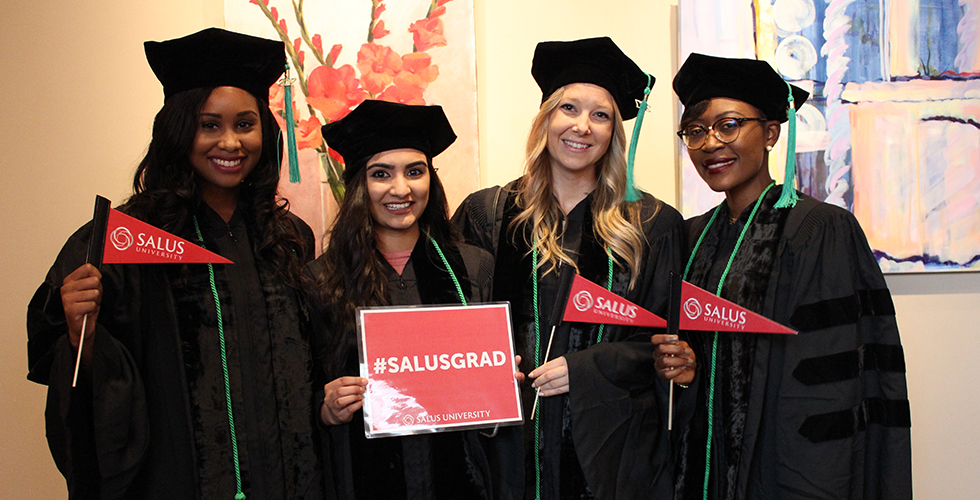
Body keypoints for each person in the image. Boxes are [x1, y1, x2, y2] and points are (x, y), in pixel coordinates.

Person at [26, 28, 325, 499]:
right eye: (210, 125)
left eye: (245, 124)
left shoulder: (288, 238)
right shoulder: (125, 240)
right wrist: (76, 324)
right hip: (179, 479)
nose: (230, 142)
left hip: (291, 478)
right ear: (180, 131)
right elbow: (72, 370)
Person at [660, 52, 912, 500]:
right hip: (704, 467)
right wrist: (687, 368)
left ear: (772, 133)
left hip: (783, 470)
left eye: (730, 124)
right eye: (695, 132)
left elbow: (827, 382)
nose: (711, 143)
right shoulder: (691, 237)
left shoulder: (820, 230)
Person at [453, 37, 686, 499]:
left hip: (608, 448)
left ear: (614, 133)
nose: (582, 126)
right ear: (545, 120)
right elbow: (453, 327)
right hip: (506, 447)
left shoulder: (653, 225)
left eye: (600, 115)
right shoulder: (489, 213)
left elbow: (667, 344)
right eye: (568, 109)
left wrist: (585, 369)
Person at [309, 100, 504, 499]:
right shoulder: (322, 280)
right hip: (363, 478)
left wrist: (498, 387)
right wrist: (325, 407)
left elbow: (488, 408)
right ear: (359, 185)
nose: (401, 189)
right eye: (381, 174)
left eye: (415, 172)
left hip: (460, 478)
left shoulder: (471, 267)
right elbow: (304, 386)